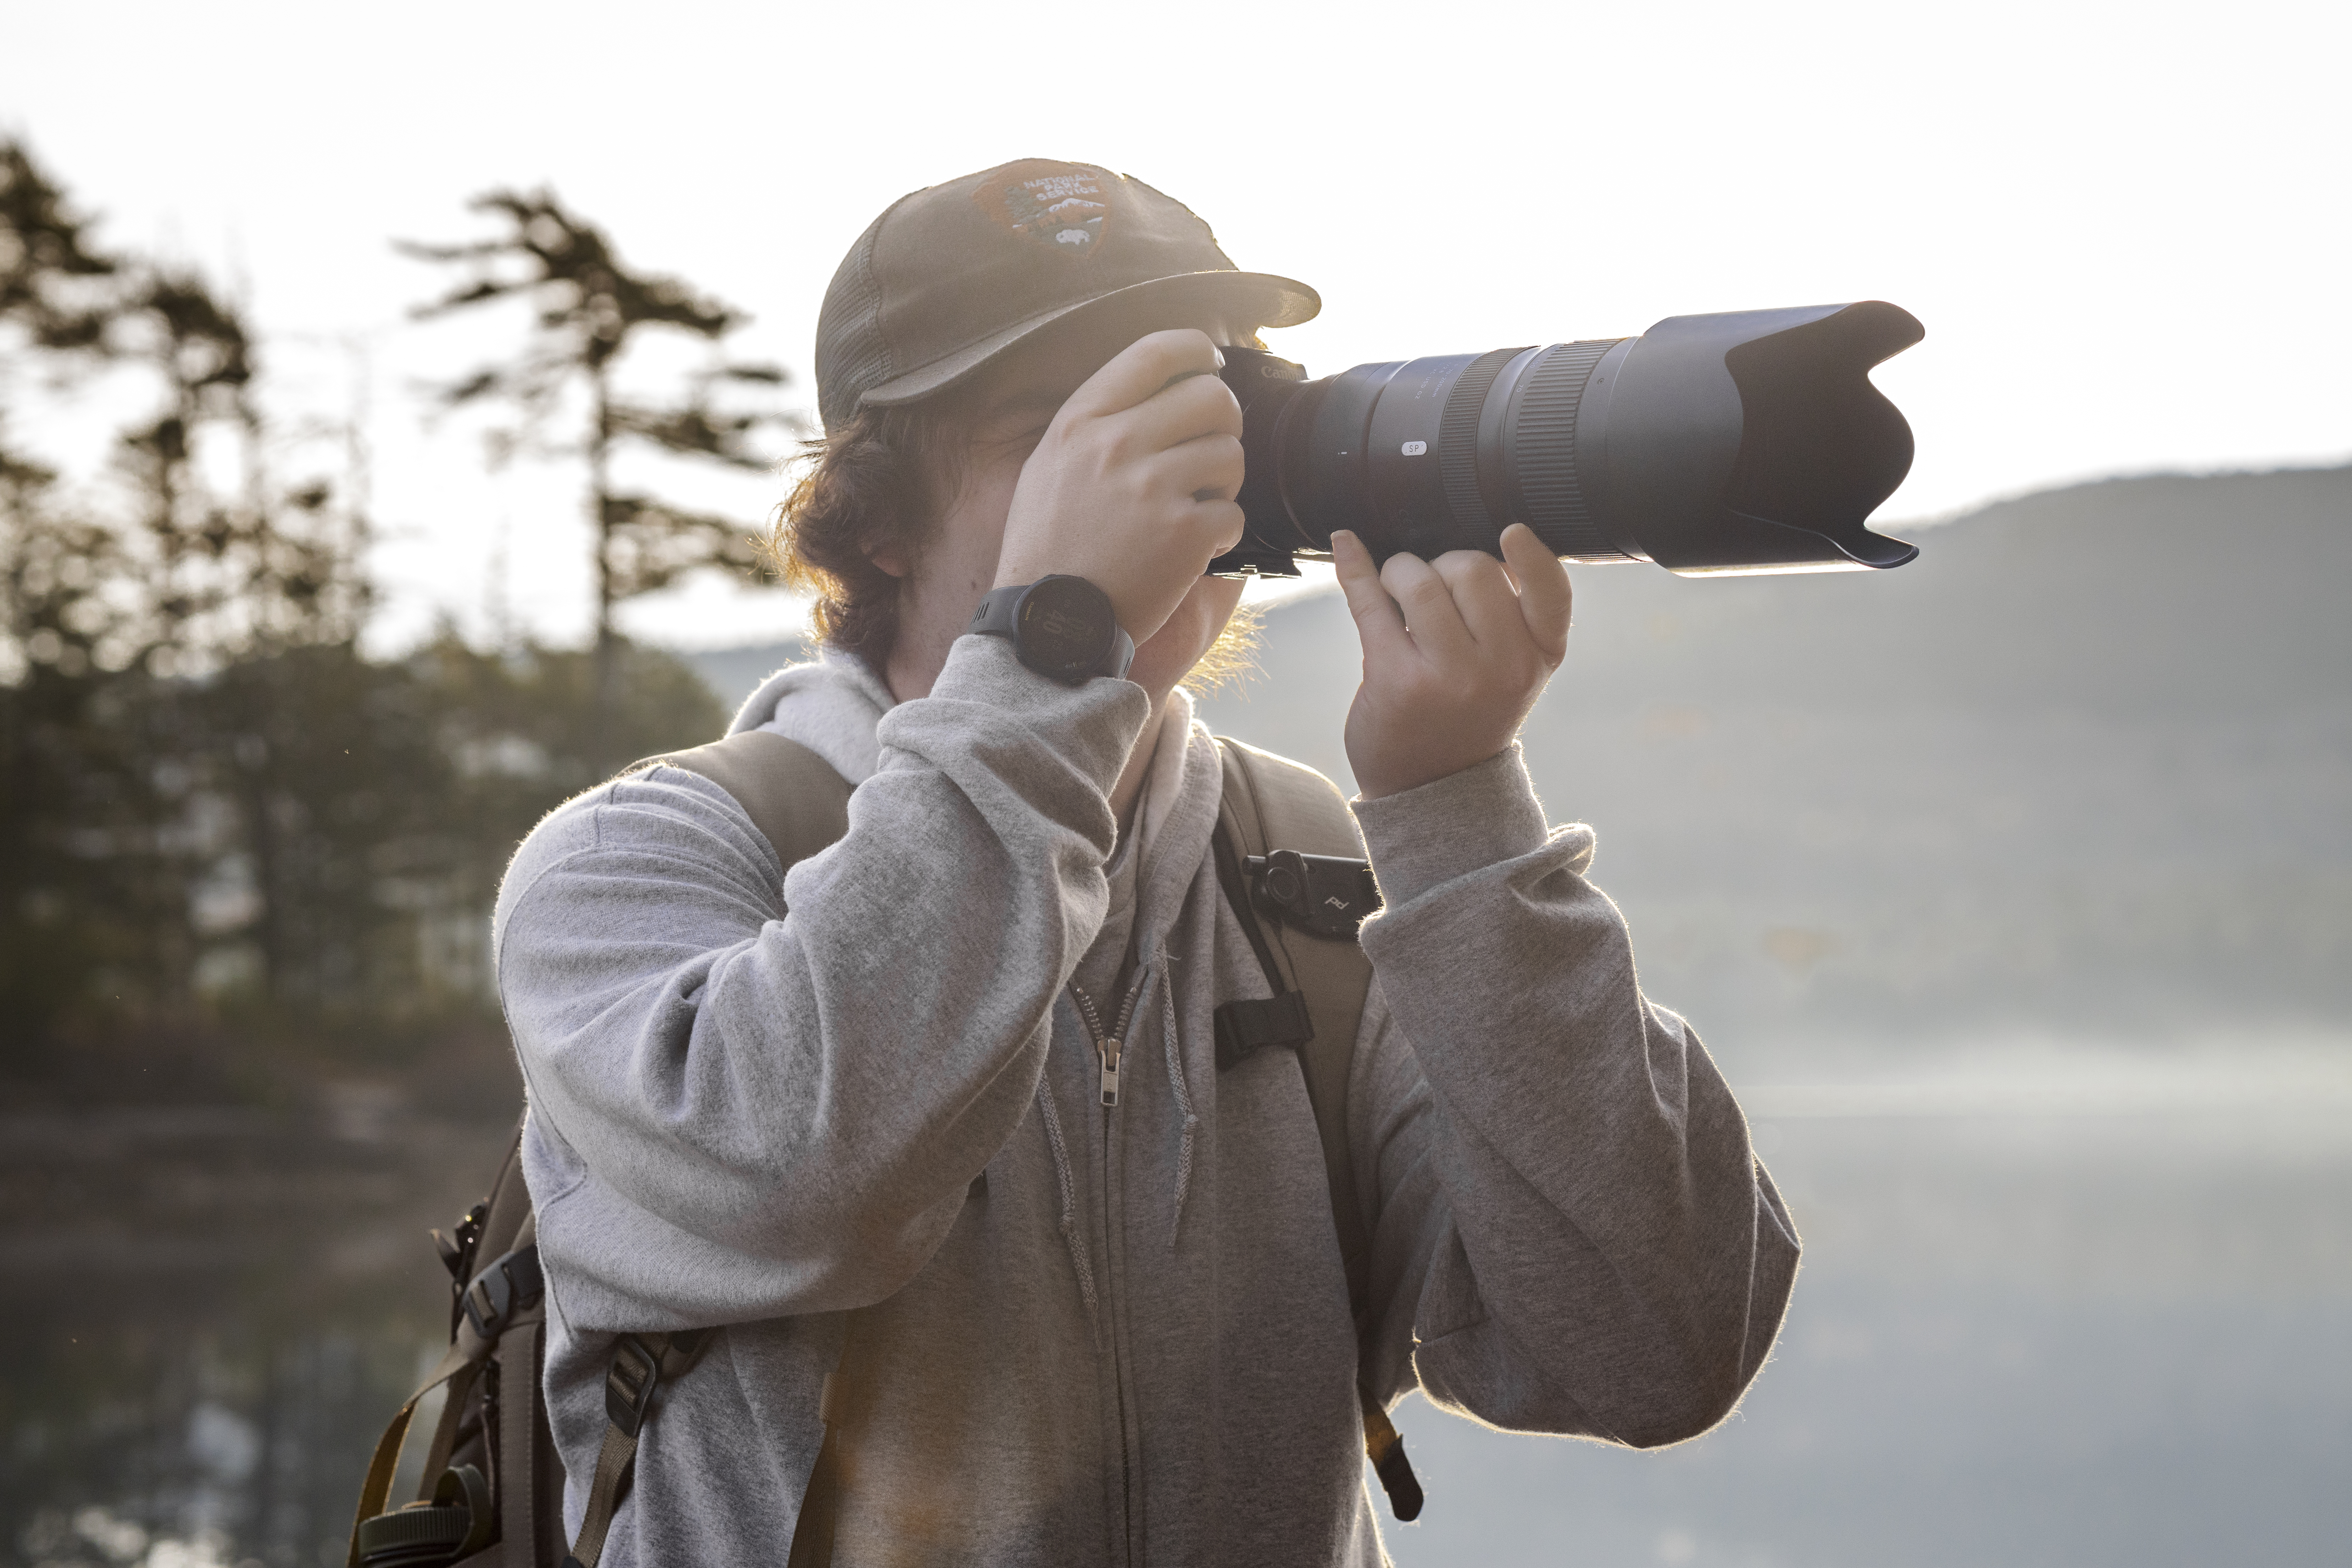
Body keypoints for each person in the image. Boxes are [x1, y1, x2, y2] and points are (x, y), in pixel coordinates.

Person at [493, 158, 1800, 1566]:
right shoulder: (639, 864)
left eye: (1203, 409)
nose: (1158, 475)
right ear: (873, 514)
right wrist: (1054, 642)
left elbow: (1656, 1346)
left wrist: (1458, 810)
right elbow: (809, 1180)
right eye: (1061, 431)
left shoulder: (1314, 872)